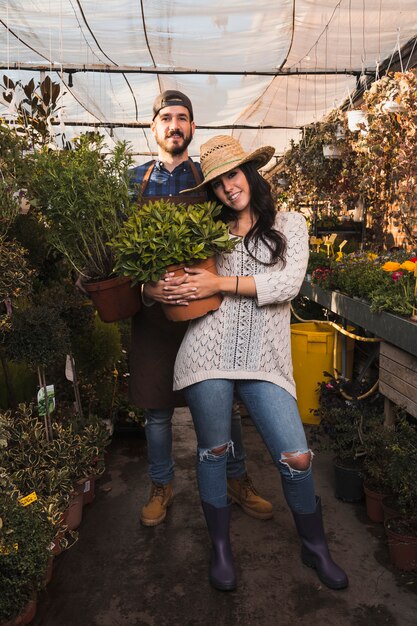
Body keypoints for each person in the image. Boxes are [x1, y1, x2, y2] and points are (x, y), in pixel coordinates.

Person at [167, 135, 349, 592]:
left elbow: (285, 284)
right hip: (206, 354)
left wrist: (217, 282)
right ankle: (222, 550)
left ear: (249, 172)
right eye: (218, 183)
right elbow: (168, 281)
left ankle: (315, 547)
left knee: (297, 456)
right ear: (211, 192)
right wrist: (160, 290)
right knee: (214, 453)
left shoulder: (289, 223)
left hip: (265, 361)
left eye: (233, 174)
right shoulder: (205, 234)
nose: (229, 187)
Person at [128, 92, 273, 526]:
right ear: (153, 127)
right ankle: (161, 483)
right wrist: (147, 288)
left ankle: (236, 477)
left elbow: (232, 237)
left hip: (210, 311)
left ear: (192, 128)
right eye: (166, 118)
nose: (175, 125)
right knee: (156, 410)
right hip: (154, 316)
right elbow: (121, 252)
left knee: (222, 403)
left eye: (183, 118)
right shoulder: (133, 182)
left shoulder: (207, 183)